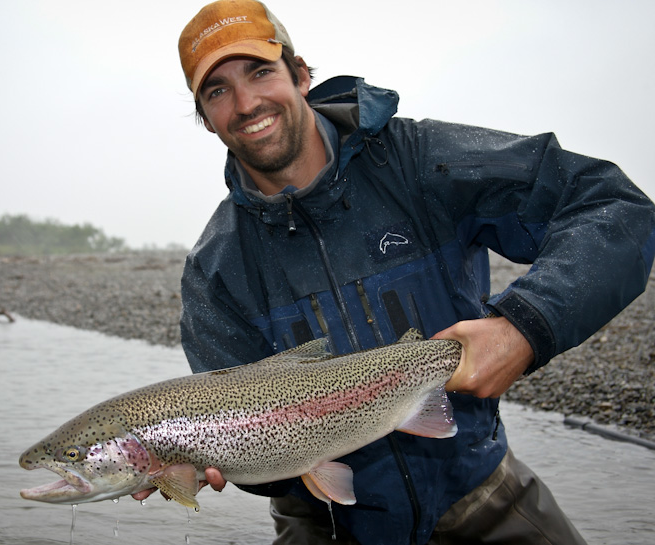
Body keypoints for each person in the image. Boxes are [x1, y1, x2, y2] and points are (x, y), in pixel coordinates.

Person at [137, 1, 655, 543]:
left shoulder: (419, 162)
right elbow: (262, 471)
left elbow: (613, 208)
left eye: (260, 71)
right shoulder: (215, 273)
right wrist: (203, 462)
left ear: (301, 74)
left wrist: (524, 326)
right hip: (328, 523)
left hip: (479, 492)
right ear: (205, 117)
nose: (246, 103)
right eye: (216, 91)